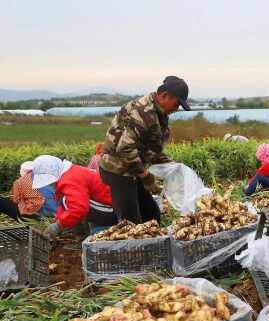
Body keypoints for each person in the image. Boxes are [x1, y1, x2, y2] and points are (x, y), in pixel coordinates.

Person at [99, 76, 190, 224]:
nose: (176, 108)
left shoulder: (159, 112)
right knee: (131, 223)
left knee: (152, 215)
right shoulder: (142, 112)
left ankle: (152, 244)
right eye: (176, 104)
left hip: (133, 169)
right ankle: (132, 246)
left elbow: (152, 148)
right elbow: (125, 148)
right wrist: (146, 176)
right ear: (164, 95)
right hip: (119, 170)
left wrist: (171, 166)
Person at [31, 155, 117, 239]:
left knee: (74, 205)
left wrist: (59, 225)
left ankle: (94, 232)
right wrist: (58, 219)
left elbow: (79, 209)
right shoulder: (69, 172)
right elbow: (62, 204)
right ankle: (90, 231)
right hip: (107, 204)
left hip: (112, 207)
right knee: (67, 201)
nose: (49, 184)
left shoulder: (70, 179)